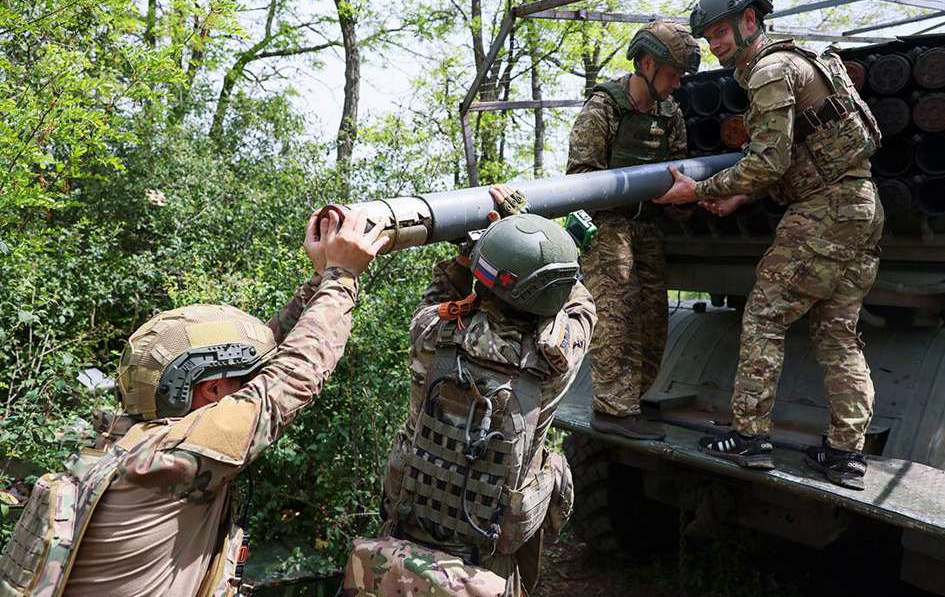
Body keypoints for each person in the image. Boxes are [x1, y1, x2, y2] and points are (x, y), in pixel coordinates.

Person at [0, 208, 388, 596]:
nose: (254, 383)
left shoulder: (133, 444)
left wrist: (319, 279)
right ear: (213, 391)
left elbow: (269, 356)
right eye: (245, 379)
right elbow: (294, 377)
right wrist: (343, 277)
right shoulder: (171, 460)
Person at [653, 0, 884, 490]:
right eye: (708, 37)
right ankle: (846, 455)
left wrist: (698, 190)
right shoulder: (806, 58)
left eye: (719, 32)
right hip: (861, 206)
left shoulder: (769, 70)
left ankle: (750, 437)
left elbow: (768, 160)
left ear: (750, 21)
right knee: (837, 334)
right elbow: (793, 158)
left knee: (763, 317)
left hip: (823, 211)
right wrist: (739, 196)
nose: (714, 45)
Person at [343, 186, 597, 597]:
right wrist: (545, 243)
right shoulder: (555, 362)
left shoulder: (430, 332)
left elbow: (442, 296)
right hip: (488, 554)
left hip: (409, 528)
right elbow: (580, 304)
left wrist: (475, 253)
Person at [566, 20, 700, 441]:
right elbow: (581, 177)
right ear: (645, 63)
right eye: (672, 74)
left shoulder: (670, 113)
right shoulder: (604, 106)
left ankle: (631, 402)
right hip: (607, 225)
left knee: (654, 320)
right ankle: (614, 410)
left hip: (647, 226)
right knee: (617, 316)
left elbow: (679, 167)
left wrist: (688, 199)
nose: (677, 84)